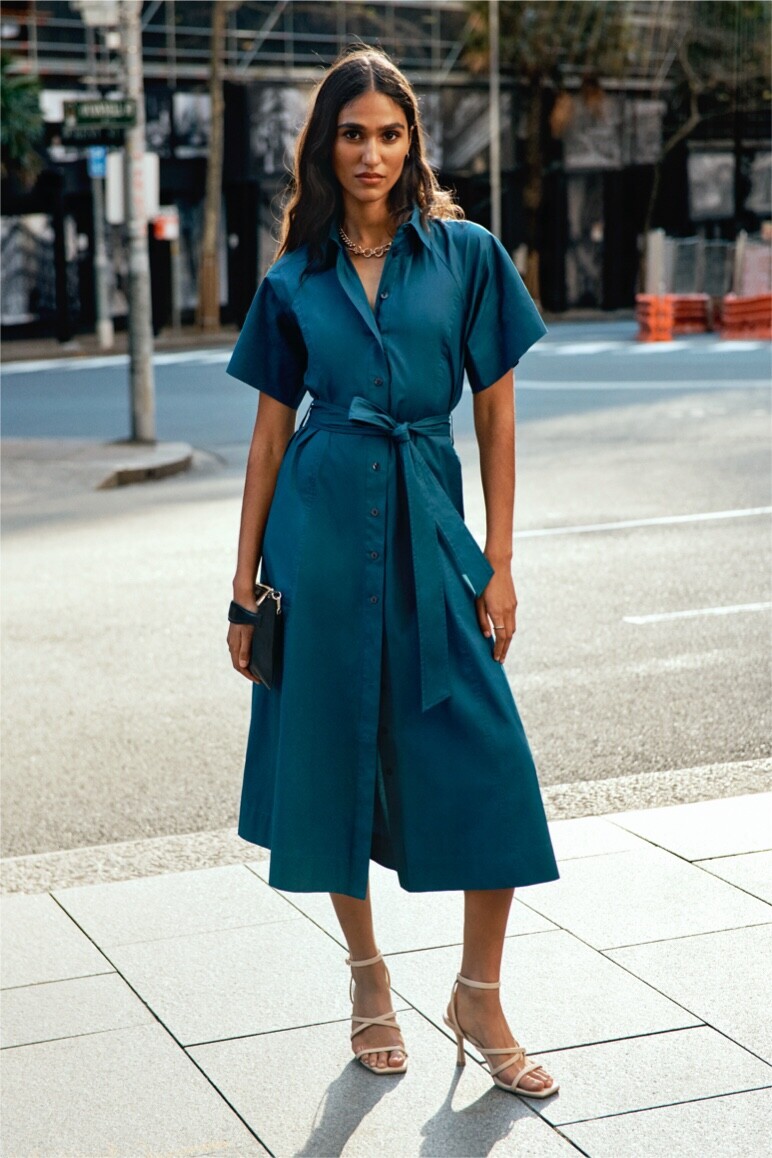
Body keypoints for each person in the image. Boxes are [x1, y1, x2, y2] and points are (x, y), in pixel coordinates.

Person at [226, 45, 560, 1098]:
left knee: (489, 759)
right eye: (351, 133)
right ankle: (367, 981)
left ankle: (478, 991)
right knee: (327, 754)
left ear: (414, 142)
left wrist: (499, 564)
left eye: (390, 132)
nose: (371, 152)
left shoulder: (465, 255)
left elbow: (497, 417)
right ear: (326, 146)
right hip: (317, 534)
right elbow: (269, 439)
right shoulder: (295, 278)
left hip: (428, 523)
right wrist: (243, 591)